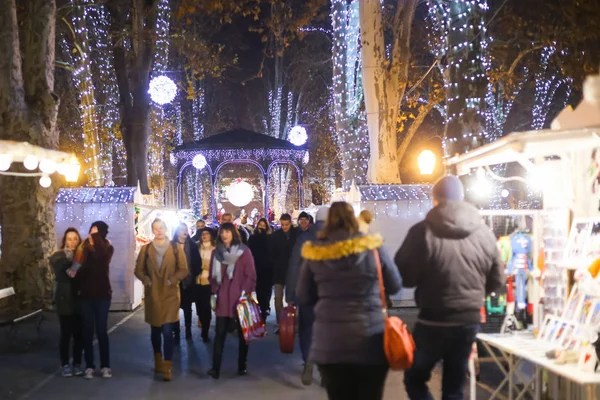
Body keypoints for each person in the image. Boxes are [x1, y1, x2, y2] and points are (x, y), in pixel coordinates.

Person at [395, 175, 505, 400]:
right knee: (454, 387)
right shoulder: (484, 233)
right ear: (462, 198)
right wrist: (473, 296)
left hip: (432, 320)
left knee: (414, 378)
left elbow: (405, 278)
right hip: (468, 321)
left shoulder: (422, 232)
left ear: (435, 200)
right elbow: (497, 282)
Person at [297, 202, 402, 400]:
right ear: (353, 219)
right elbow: (395, 285)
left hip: (330, 344)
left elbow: (303, 295)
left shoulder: (315, 253)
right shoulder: (373, 247)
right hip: (370, 341)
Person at [134, 218, 188, 381]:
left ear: (166, 229)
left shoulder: (176, 248)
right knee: (155, 330)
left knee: (167, 330)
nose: (159, 231)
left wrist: (173, 280)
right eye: (155, 228)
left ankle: (167, 364)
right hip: (153, 294)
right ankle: (158, 359)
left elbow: (183, 269)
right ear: (153, 230)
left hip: (170, 294)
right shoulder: (146, 249)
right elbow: (138, 270)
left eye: (161, 228)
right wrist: (147, 280)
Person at [207, 222, 256, 380]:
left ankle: (242, 365)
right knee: (219, 333)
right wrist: (215, 291)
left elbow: (251, 275)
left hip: (240, 298)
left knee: (243, 335)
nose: (224, 235)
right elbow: (212, 275)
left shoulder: (244, 251)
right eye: (222, 232)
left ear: (233, 233)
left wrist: (244, 292)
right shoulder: (216, 253)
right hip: (223, 298)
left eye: (227, 232)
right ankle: (216, 368)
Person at [286, 206, 329, 386]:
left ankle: (308, 360)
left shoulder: (304, 238)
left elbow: (295, 266)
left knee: (306, 328)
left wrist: (290, 294)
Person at [67, 221, 114, 380]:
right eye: (90, 231)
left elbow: (101, 261)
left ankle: (106, 366)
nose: (90, 235)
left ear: (100, 234)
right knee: (87, 331)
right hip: (86, 296)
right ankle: (89, 366)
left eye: (94, 232)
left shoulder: (107, 248)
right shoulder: (83, 249)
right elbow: (79, 269)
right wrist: (74, 270)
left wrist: (96, 238)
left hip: (102, 296)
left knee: (101, 331)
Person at [50, 228, 84, 377]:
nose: (72, 242)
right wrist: (78, 264)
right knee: (66, 333)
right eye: (69, 238)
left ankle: (77, 363)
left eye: (75, 238)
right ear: (64, 240)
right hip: (64, 299)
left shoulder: (83, 256)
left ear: (79, 240)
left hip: (79, 300)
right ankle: (65, 364)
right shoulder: (58, 257)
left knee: (79, 334)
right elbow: (66, 273)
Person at [172, 223, 202, 342]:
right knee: (174, 308)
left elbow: (197, 263)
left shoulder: (193, 246)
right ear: (177, 232)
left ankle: (188, 330)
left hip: (189, 281)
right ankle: (176, 331)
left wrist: (193, 274)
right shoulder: (171, 246)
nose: (184, 231)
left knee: (188, 308)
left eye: (185, 229)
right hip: (174, 282)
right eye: (181, 229)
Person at [269, 213, 297, 332]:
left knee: (292, 298)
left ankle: (293, 322)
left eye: (286, 224)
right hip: (279, 270)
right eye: (283, 224)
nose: (284, 227)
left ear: (290, 223)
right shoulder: (276, 236)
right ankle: (280, 323)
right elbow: (271, 253)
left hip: (292, 270)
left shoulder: (296, 234)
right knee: (278, 297)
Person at [248, 218, 273, 322]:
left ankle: (265, 307)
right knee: (259, 290)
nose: (262, 227)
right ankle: (263, 308)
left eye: (264, 225)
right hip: (257, 267)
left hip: (268, 268)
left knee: (266, 290)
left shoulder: (270, 238)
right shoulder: (253, 238)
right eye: (260, 225)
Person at [197, 228, 216, 342]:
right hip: (197, 281)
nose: (204, 236)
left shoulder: (214, 249)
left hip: (208, 281)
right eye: (203, 234)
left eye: (207, 234)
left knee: (206, 307)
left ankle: (205, 331)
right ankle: (202, 323)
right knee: (199, 307)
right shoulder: (197, 247)